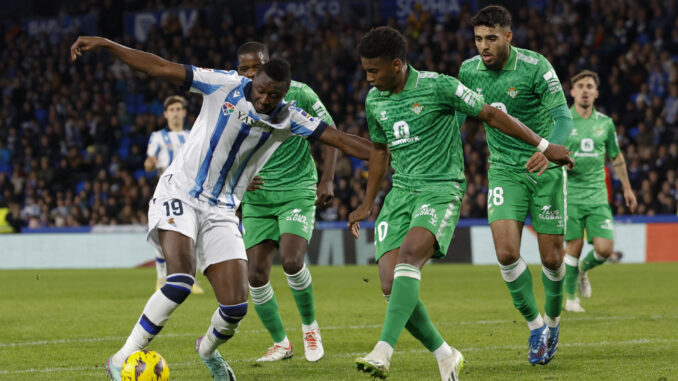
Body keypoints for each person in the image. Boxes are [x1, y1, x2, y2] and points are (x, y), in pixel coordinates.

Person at [70, 35, 371, 381]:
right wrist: (108, 45)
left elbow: (344, 140)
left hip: (223, 211)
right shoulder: (222, 84)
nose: (262, 99)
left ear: (283, 95)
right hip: (180, 193)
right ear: (249, 79)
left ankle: (207, 350)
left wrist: (388, 152)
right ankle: (122, 357)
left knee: (235, 306)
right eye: (257, 88)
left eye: (272, 96)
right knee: (180, 281)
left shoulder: (290, 117)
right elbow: (158, 67)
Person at [347, 26, 573, 380]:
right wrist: (367, 202)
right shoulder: (374, 101)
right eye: (365, 70)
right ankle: (445, 354)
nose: (368, 77)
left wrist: (544, 146)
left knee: (409, 260)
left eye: (373, 70)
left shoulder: (440, 86)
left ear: (396, 65)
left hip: (439, 190)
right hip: (400, 194)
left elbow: (494, 116)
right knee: (391, 285)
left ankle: (383, 350)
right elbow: (379, 151)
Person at [457, 5, 574, 365]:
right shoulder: (468, 71)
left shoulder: (536, 67)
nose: (483, 47)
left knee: (552, 260)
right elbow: (457, 121)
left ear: (508, 36)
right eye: (478, 39)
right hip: (505, 171)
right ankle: (536, 326)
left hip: (545, 172)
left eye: (491, 38)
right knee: (507, 253)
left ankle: (554, 323)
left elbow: (563, 120)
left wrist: (548, 150)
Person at [237, 42, 336, 362]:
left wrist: (328, 178)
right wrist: (238, 176)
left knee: (292, 262)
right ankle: (281, 343)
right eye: (245, 69)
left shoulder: (300, 94)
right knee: (255, 274)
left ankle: (310, 327)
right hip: (257, 199)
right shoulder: (234, 97)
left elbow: (330, 131)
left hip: (296, 189)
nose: (251, 74)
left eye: (257, 66)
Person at [563, 70, 637, 312]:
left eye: (589, 86)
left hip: (597, 194)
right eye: (580, 86)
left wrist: (627, 188)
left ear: (596, 93)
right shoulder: (562, 121)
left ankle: (583, 270)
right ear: (572, 92)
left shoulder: (605, 123)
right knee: (572, 247)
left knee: (605, 249)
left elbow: (616, 156)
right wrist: (564, 162)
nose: (585, 90)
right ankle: (571, 299)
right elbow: (550, 154)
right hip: (570, 193)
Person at [145, 95, 204, 294]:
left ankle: (192, 280)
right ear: (165, 114)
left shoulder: (192, 136)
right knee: (164, 235)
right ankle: (161, 278)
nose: (175, 113)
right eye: (172, 110)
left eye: (179, 109)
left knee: (192, 237)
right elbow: (148, 164)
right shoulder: (157, 137)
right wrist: (150, 164)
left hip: (190, 194)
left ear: (184, 113)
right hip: (166, 193)